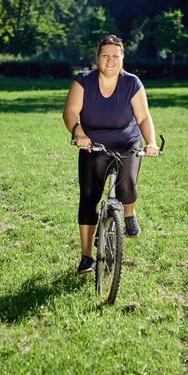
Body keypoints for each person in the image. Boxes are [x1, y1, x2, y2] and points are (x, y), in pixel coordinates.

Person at [62, 35, 161, 274]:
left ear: (122, 59)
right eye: (105, 55)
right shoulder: (84, 81)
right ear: (97, 58)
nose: (110, 60)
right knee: (89, 197)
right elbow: (70, 113)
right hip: (93, 146)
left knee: (127, 188)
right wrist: (79, 133)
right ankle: (86, 256)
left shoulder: (132, 83)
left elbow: (144, 118)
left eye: (115, 55)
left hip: (127, 143)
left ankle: (129, 214)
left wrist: (151, 142)